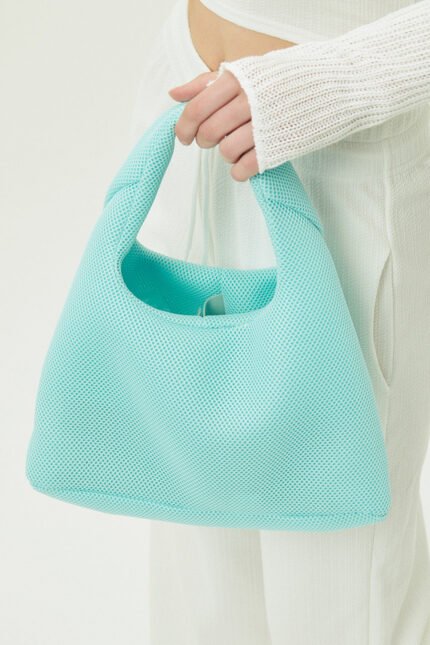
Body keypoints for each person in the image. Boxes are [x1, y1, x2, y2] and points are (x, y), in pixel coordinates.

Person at [129, 0, 430, 643]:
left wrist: (340, 80)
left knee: (339, 596)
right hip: (189, 104)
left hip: (340, 135)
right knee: (197, 589)